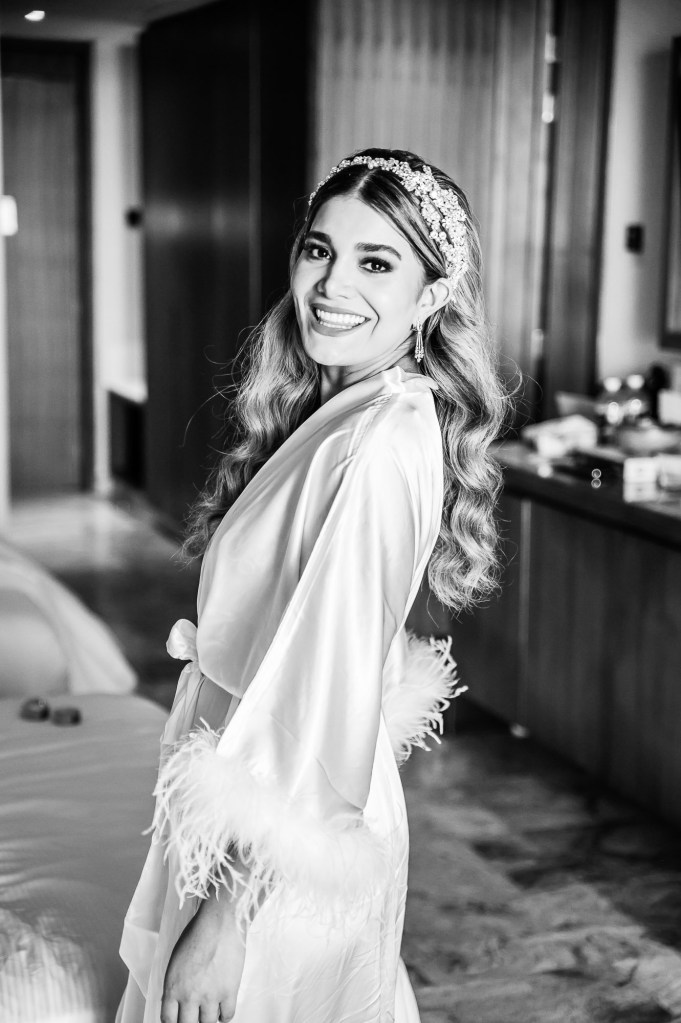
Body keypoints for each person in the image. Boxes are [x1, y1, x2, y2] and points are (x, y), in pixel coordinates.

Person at [116, 148, 507, 1023]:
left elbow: (315, 691)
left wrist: (225, 919)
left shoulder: (373, 446)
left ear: (432, 294)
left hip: (269, 859)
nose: (332, 285)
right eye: (319, 249)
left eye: (377, 262)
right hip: (261, 804)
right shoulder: (355, 408)